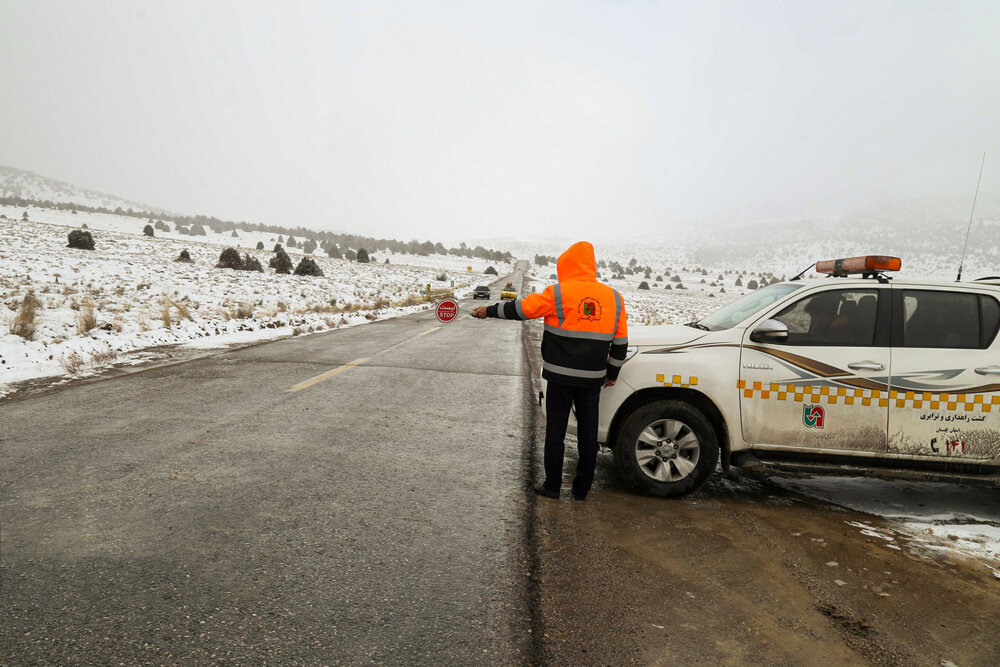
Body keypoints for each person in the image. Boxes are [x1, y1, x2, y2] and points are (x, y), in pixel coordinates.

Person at [473, 241, 628, 500]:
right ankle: (581, 490)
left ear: (566, 265)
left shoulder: (557, 293)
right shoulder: (614, 298)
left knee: (555, 432)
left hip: (559, 376)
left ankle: (552, 486)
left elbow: (522, 309)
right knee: (588, 435)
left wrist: (489, 310)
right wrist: (612, 374)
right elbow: (621, 343)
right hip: (592, 380)